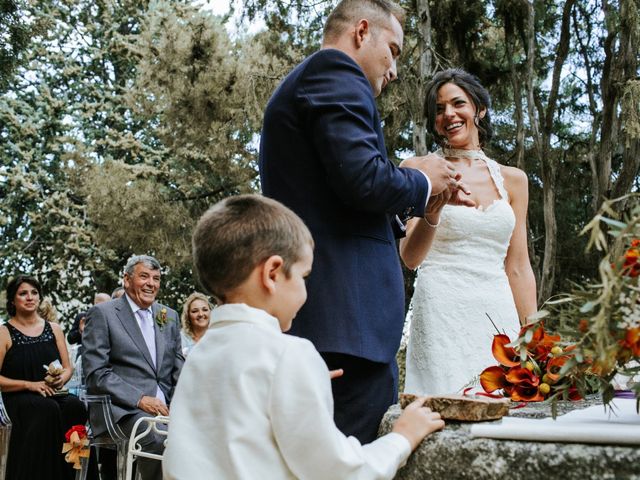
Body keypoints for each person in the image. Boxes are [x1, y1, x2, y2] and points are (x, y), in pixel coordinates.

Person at [259, 0, 471, 443]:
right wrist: (420, 178)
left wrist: (422, 203)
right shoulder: (335, 72)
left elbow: (348, 190)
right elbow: (363, 179)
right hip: (344, 328)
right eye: (393, 50)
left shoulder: (319, 81)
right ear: (360, 32)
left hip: (342, 328)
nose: (394, 69)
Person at [163, 194, 445, 479]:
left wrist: (305, 380)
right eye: (304, 276)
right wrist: (402, 438)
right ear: (272, 273)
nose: (305, 290)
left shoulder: (199, 356)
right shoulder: (289, 354)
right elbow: (337, 472)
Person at [401, 68, 538, 395]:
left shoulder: (514, 180)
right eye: (438, 109)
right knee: (445, 406)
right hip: (440, 308)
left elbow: (517, 267)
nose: (448, 114)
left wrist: (534, 336)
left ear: (480, 109)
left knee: (504, 407)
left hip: (497, 310)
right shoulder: (415, 169)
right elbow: (410, 257)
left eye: (457, 103)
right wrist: (434, 208)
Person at [82, 255, 184, 480]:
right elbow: (96, 374)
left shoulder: (169, 317)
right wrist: (140, 399)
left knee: (202, 434)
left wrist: (184, 406)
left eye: (156, 278)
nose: (151, 283)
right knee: (161, 439)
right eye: (144, 276)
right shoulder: (104, 314)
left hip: (166, 410)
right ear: (127, 280)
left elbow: (179, 372)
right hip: (122, 410)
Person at [0, 275, 90, 479]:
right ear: (13, 301)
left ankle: (74, 471)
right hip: (18, 398)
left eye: (34, 293)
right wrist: (29, 385)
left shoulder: (54, 329)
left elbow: (68, 369)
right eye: (23, 293)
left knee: (76, 406)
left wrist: (61, 378)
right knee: (46, 409)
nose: (30, 297)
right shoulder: (4, 333)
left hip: (52, 392)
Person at [179, 292, 213, 356]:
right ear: (187, 315)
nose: (200, 314)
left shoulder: (218, 335)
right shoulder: (180, 339)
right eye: (195, 311)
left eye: (205, 310)